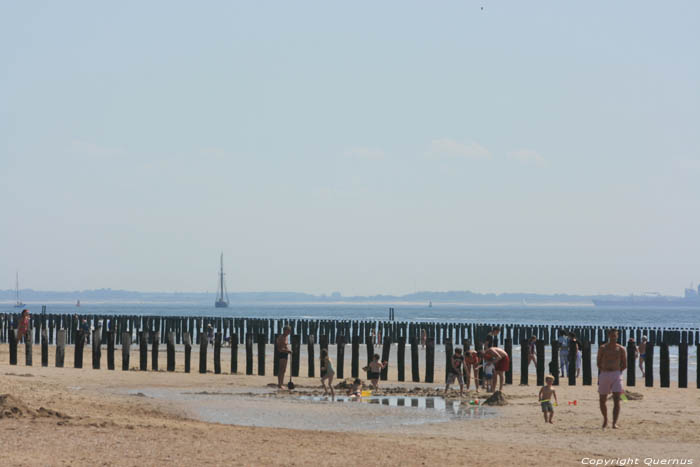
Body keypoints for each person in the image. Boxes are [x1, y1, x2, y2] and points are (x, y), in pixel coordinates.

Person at [597, 328, 627, 429]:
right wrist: (604, 369)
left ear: (617, 336)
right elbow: (598, 362)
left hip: (616, 374)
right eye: (612, 335)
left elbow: (624, 364)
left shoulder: (621, 349)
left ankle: (614, 422)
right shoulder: (603, 348)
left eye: (615, 335)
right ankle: (605, 419)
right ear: (609, 336)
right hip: (604, 374)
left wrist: (617, 371)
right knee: (602, 400)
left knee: (617, 399)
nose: (614, 337)